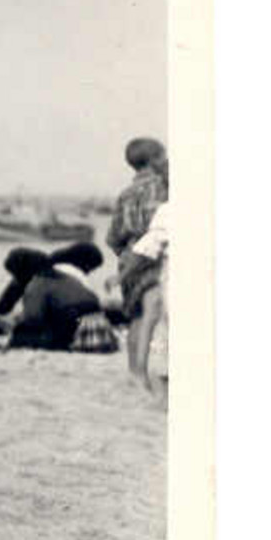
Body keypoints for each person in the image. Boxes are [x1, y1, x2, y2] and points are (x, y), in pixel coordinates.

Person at [107, 136, 169, 371]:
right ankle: (145, 371)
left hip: (128, 256)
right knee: (152, 314)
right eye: (164, 156)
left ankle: (134, 371)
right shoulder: (162, 189)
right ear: (154, 160)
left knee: (136, 316)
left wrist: (124, 255)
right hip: (152, 255)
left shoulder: (126, 194)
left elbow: (113, 237)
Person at [126, 200, 173, 397]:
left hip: (159, 268)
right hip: (162, 267)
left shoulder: (168, 209)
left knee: (150, 322)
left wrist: (122, 275)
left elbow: (145, 247)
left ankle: (140, 373)